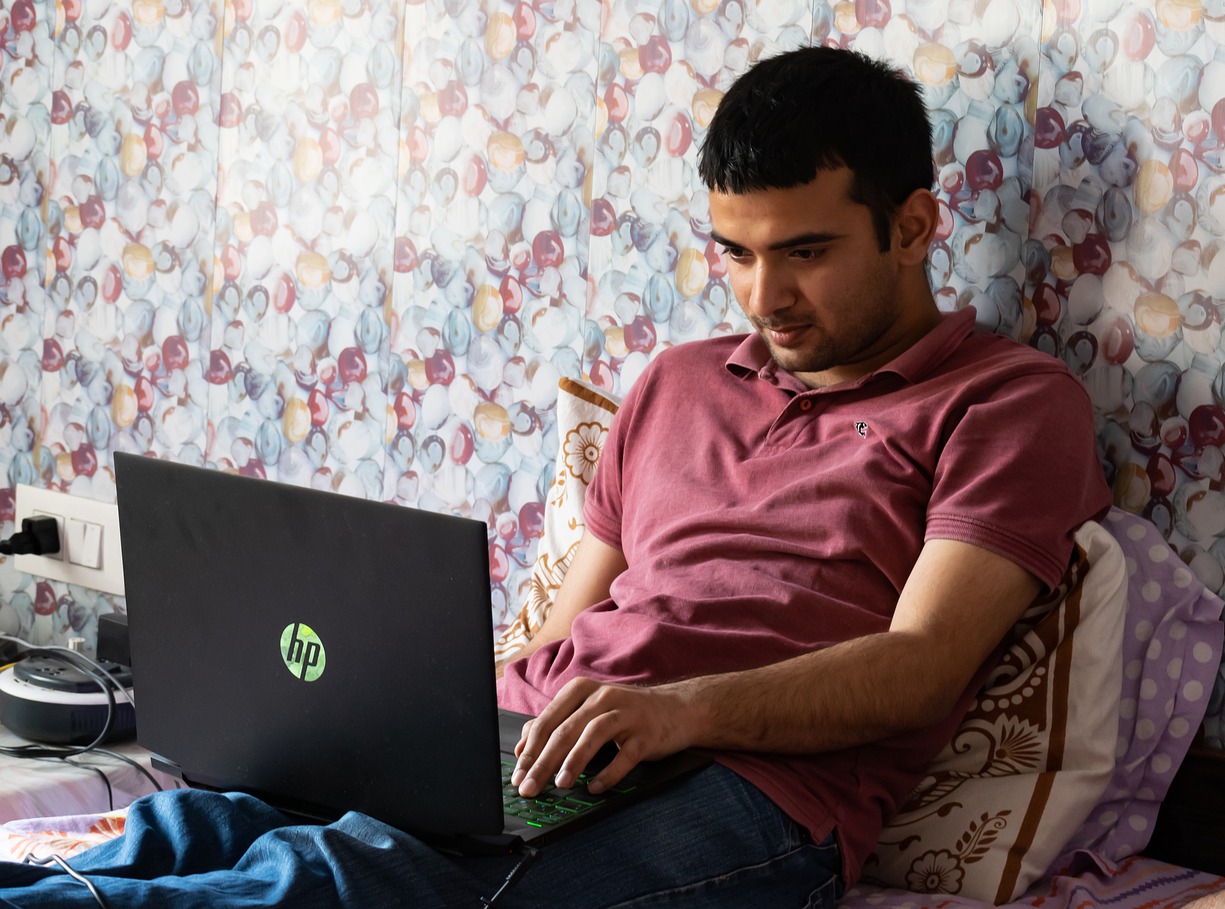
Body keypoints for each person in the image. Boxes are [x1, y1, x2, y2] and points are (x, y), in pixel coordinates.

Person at [0, 47, 1110, 908]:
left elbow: (920, 668)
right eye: (733, 252)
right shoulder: (673, 384)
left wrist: (673, 712)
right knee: (200, 826)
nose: (762, 296)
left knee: (346, 884)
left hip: (748, 793)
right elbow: (565, 632)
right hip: (534, 746)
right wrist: (403, 719)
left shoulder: (1006, 404)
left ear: (912, 226)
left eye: (805, 253)